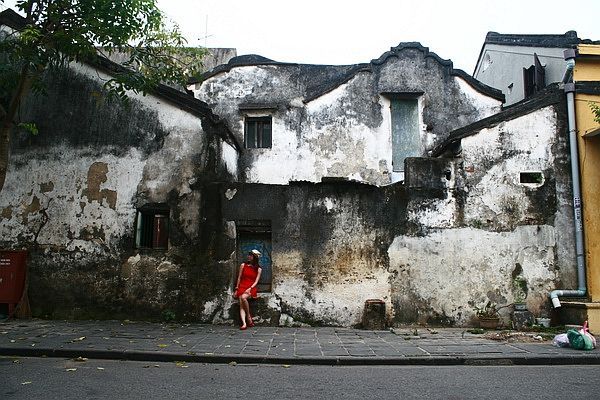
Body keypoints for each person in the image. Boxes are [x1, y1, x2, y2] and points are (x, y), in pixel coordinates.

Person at [234, 249, 262, 330]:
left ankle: (249, 316)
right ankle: (244, 323)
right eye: (249, 255)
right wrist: (236, 289)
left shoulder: (259, 269)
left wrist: (250, 289)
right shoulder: (243, 265)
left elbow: (256, 281)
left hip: (251, 287)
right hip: (242, 286)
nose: (249, 257)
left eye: (251, 255)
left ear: (255, 258)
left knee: (243, 298)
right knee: (241, 304)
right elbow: (239, 278)